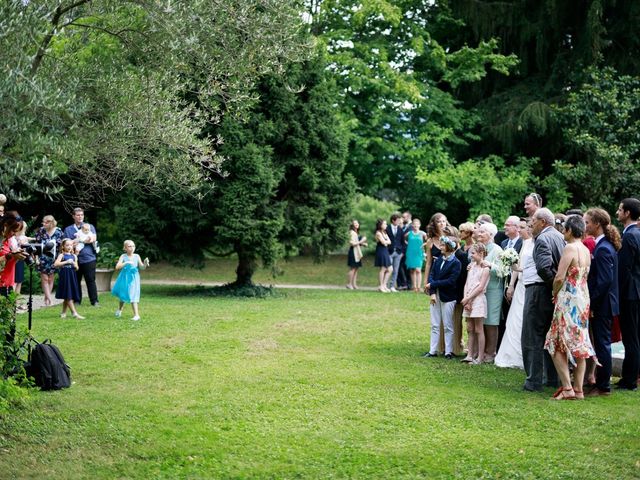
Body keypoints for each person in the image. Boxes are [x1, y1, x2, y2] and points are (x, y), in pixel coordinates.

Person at [544, 215, 595, 400]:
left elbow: (559, 277)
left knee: (556, 341)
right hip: (582, 298)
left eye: (564, 228)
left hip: (568, 299)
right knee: (579, 342)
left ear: (570, 230)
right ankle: (579, 389)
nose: (562, 232)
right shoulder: (585, 249)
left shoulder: (570, 248)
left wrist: (555, 293)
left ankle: (567, 388)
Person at [521, 208, 564, 392]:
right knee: (550, 336)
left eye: (534, 221)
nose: (532, 224)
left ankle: (533, 380)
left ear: (543, 222)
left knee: (532, 336)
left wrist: (553, 286)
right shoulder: (560, 237)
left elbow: (544, 268)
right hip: (553, 293)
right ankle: (553, 378)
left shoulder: (543, 239)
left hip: (539, 291)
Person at [584, 208, 621, 396]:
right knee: (600, 343)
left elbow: (605, 280)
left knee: (602, 344)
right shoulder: (604, 245)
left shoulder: (604, 248)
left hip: (603, 304)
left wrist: (592, 301)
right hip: (604, 302)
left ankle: (603, 385)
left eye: (587, 222)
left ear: (597, 224)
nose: (585, 226)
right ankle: (600, 382)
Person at [495, 218, 532, 369]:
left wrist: (518, 268)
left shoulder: (534, 243)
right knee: (513, 320)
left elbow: (528, 267)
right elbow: (518, 267)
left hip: (528, 284)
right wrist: (511, 285)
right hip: (520, 285)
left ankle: (523, 356)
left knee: (522, 320)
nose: (521, 230)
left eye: (523, 227)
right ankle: (510, 355)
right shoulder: (525, 244)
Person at [616, 198, 640, 391]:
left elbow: (625, 269)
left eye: (620, 209)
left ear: (628, 213)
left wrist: (619, 293)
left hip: (630, 293)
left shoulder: (630, 235)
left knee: (631, 337)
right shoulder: (636, 233)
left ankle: (629, 379)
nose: (617, 212)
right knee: (634, 337)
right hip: (635, 290)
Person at [424, 235, 461, 359]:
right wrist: (433, 292)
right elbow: (432, 275)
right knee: (434, 324)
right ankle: (432, 350)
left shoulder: (456, 263)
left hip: (448, 296)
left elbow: (451, 281)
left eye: (443, 245)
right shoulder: (438, 259)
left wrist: (432, 284)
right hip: (436, 294)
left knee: (447, 325)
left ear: (450, 247)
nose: (440, 247)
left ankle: (448, 351)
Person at [475, 223, 503, 362]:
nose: (479, 234)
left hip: (493, 289)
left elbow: (503, 271)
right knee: (481, 320)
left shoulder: (497, 250)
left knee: (491, 321)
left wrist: (490, 265)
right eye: (478, 232)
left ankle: (491, 352)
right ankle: (481, 350)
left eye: (482, 232)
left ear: (491, 235)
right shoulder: (480, 249)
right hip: (479, 289)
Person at [461, 243, 490, 364]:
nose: (471, 255)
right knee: (469, 328)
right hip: (468, 298)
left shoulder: (486, 268)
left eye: (473, 253)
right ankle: (469, 354)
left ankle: (480, 357)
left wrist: (469, 299)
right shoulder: (471, 266)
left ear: (481, 253)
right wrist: (465, 298)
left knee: (479, 329)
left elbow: (480, 287)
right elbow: (467, 283)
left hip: (478, 300)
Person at [63, 208, 99, 306]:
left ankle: (94, 301)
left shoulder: (89, 226)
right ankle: (77, 300)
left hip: (89, 257)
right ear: (73, 216)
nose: (80, 217)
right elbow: (67, 243)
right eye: (78, 215)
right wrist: (82, 240)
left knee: (90, 280)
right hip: (74, 258)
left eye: (82, 215)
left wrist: (77, 240)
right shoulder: (68, 229)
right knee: (76, 280)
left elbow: (93, 239)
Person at [499, 216, 523, 349]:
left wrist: (511, 285)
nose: (505, 227)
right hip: (503, 281)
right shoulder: (503, 243)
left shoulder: (522, 243)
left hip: (515, 282)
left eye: (507, 225)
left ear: (516, 227)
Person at [112, 240, 149, 321]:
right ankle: (120, 309)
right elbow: (117, 267)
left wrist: (145, 263)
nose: (132, 248)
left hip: (134, 278)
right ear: (125, 248)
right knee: (123, 294)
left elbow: (142, 267)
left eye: (133, 246)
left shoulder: (137, 256)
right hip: (124, 277)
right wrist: (126, 262)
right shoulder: (123, 256)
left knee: (133, 294)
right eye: (129, 246)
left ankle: (136, 315)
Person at [453, 222, 476, 355]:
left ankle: (470, 346)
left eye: (462, 231)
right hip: (460, 284)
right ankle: (458, 342)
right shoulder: (461, 247)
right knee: (457, 317)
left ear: (468, 233)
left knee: (469, 318)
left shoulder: (475, 247)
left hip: (471, 284)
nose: (460, 234)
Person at [35, 215, 63, 306]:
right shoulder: (41, 231)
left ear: (51, 223)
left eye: (46, 222)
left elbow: (61, 247)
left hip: (54, 258)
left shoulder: (58, 232)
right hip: (42, 258)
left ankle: (46, 298)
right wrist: (36, 258)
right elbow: (37, 245)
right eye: (43, 222)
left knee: (51, 278)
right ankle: (50, 299)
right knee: (45, 278)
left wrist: (59, 258)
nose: (44, 224)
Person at [54, 239, 84, 319]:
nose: (69, 247)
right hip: (65, 276)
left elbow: (77, 268)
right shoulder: (62, 255)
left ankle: (63, 313)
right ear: (63, 246)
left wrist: (74, 264)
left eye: (71, 245)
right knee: (68, 295)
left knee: (68, 294)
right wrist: (66, 262)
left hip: (72, 276)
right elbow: (56, 264)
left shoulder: (74, 256)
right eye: (67, 245)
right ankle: (74, 313)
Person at [0, 212, 27, 298]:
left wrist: (18, 256)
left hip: (9, 284)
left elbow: (10, 263)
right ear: (6, 225)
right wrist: (10, 256)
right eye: (14, 231)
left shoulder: (9, 240)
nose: (14, 234)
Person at [424, 213, 449, 285]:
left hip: (448, 273)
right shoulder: (430, 241)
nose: (442, 224)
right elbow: (428, 262)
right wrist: (425, 280)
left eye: (444, 221)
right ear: (434, 224)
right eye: (439, 222)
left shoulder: (451, 238)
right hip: (435, 273)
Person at [404, 218, 427, 293]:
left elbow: (428, 241)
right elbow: (404, 239)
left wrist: (423, 245)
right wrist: (408, 245)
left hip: (419, 253)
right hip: (410, 253)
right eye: (414, 224)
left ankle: (419, 287)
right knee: (412, 270)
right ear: (412, 225)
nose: (415, 225)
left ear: (419, 225)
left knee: (418, 270)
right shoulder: (408, 233)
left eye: (417, 224)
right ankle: (414, 287)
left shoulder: (422, 233)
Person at [386, 213, 404, 292]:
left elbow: (402, 241)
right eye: (398, 220)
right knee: (388, 269)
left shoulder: (400, 229)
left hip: (398, 252)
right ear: (393, 220)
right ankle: (385, 285)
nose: (399, 222)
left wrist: (402, 252)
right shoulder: (387, 228)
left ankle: (392, 286)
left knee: (395, 270)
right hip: (389, 252)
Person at [346, 220, 367, 290]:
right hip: (353, 252)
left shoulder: (356, 233)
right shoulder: (351, 233)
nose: (357, 224)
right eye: (355, 223)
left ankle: (354, 284)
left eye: (357, 223)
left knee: (356, 269)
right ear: (352, 225)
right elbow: (352, 243)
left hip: (357, 252)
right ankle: (349, 284)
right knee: (353, 268)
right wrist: (361, 241)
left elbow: (357, 243)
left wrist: (363, 244)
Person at [374, 219, 392, 293]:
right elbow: (383, 242)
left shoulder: (384, 232)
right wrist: (386, 242)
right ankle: (381, 286)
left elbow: (389, 242)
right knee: (383, 268)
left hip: (385, 251)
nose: (386, 225)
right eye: (385, 224)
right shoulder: (378, 233)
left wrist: (386, 242)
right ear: (380, 225)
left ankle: (384, 285)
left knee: (390, 269)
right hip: (381, 251)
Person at [397, 211, 413, 290]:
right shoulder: (403, 226)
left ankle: (408, 284)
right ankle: (403, 284)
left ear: (409, 217)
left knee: (407, 268)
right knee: (401, 266)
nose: (402, 218)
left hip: (408, 250)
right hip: (402, 250)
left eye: (404, 217)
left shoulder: (412, 226)